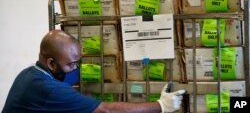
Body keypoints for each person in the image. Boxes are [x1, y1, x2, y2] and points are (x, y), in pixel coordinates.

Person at [2, 30, 185, 113]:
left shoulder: (30, 73)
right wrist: (161, 105)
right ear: (51, 63)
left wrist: (117, 68)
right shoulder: (48, 89)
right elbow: (105, 109)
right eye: (72, 64)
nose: (76, 69)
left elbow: (72, 74)